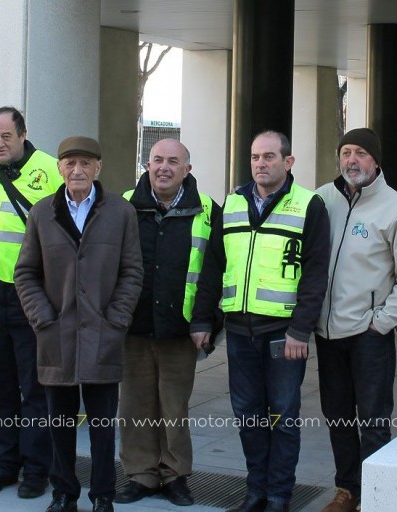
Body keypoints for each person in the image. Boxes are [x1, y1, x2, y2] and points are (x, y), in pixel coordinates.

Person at [191, 131, 330, 512]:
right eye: (255, 157)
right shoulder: (233, 203)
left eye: (269, 156)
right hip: (239, 332)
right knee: (249, 416)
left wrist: (301, 328)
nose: (260, 164)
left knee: (282, 417)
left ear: (288, 162)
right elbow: (212, 268)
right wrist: (202, 320)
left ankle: (279, 496)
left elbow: (316, 273)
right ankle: (256, 493)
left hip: (283, 333)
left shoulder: (308, 205)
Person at [14, 136, 143, 512]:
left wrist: (116, 319)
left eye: (85, 163)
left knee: (103, 427)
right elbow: (26, 273)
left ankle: (103, 495)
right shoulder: (42, 213)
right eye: (70, 163)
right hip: (57, 337)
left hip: (104, 335)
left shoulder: (120, 212)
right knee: (60, 425)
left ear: (98, 168)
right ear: (59, 168)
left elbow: (132, 271)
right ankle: (63, 494)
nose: (77, 170)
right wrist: (43, 319)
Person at [315, 128, 397, 512]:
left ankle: (375, 496)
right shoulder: (322, 199)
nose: (352, 160)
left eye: (360, 153)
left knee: (374, 418)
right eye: (346, 152)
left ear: (375, 161)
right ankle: (347, 490)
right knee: (338, 416)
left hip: (368, 333)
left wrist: (384, 321)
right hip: (327, 332)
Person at [115, 139, 222, 506]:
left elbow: (214, 271)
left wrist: (206, 320)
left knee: (174, 405)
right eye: (157, 160)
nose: (164, 167)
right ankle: (141, 475)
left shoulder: (208, 210)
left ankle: (175, 475)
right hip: (134, 324)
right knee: (134, 405)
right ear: (147, 164)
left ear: (187, 169)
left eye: (173, 161)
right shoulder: (125, 204)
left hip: (181, 327)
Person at [0, 106, 59, 498]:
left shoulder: (52, 170)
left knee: (36, 391)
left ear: (23, 134)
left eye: (6, 136)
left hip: (30, 297)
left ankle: (36, 469)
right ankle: (2, 463)